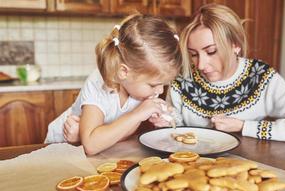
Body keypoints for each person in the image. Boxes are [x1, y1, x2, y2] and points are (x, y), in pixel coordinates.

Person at [152, 4, 285, 142]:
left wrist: (243, 126)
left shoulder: (261, 76)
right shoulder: (182, 77)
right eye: (193, 54)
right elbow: (175, 127)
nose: (200, 65)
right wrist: (166, 121)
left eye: (211, 51)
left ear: (235, 45)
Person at [44, 13, 182, 154]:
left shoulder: (138, 90)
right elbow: (91, 145)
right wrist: (138, 114)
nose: (159, 91)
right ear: (124, 72)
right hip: (59, 146)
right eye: (153, 85)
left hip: (94, 147)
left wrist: (155, 118)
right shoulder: (99, 83)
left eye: (164, 85)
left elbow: (119, 134)